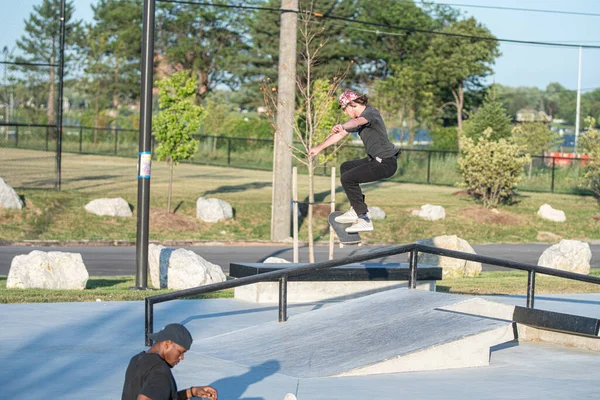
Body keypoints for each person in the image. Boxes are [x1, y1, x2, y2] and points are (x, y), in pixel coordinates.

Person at [309, 89, 399, 233]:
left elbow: (357, 120)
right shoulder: (358, 121)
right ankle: (356, 209)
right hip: (375, 160)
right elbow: (339, 135)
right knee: (346, 167)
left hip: (385, 163)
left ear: (352, 104)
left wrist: (344, 125)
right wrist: (318, 148)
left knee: (348, 178)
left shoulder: (370, 113)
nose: (345, 113)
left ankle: (363, 219)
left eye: (345, 109)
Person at [122, 323, 218, 400]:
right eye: (180, 352)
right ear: (167, 344)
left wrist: (191, 392)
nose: (181, 358)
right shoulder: (161, 371)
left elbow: (158, 394)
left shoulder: (136, 360)